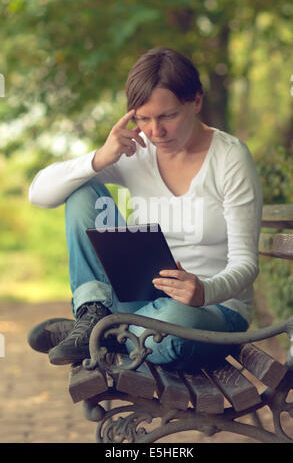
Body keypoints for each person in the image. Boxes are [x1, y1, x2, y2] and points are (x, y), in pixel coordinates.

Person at [27, 47, 263, 374]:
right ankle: (94, 315)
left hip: (211, 310)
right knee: (81, 191)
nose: (155, 131)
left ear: (195, 101)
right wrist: (100, 157)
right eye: (143, 118)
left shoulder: (229, 159)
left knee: (174, 325)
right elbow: (39, 193)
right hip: (139, 302)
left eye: (168, 116)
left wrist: (204, 291)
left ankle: (102, 336)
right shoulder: (136, 152)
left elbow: (246, 264)